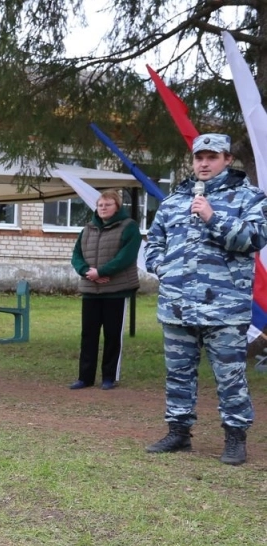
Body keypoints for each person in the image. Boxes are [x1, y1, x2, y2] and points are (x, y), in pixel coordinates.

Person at [144, 133, 267, 466]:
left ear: (228, 159)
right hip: (177, 305)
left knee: (230, 377)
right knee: (178, 374)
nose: (203, 163)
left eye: (212, 157)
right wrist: (161, 267)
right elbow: (153, 245)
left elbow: (255, 238)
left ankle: (235, 438)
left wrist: (214, 217)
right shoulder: (173, 202)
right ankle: (178, 433)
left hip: (224, 308)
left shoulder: (250, 197)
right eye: (199, 157)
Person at [68, 190, 141, 391]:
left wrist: (102, 271)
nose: (103, 208)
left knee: (112, 335)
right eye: (100, 205)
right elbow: (76, 255)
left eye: (107, 205)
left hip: (116, 290)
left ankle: (109, 377)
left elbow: (126, 256)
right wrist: (87, 272)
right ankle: (85, 377)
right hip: (91, 289)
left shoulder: (129, 227)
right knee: (88, 335)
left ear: (117, 207)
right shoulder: (87, 229)